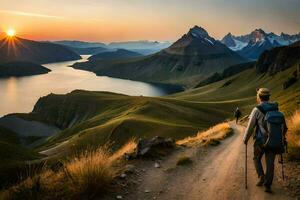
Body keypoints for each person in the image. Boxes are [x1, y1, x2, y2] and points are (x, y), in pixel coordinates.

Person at [243, 88, 287, 193]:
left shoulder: (256, 109)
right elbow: (284, 127)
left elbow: (250, 127)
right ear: (269, 97)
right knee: (270, 162)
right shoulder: (276, 109)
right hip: (273, 139)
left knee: (256, 158)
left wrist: (245, 139)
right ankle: (268, 185)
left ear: (259, 97)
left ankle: (261, 176)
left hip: (260, 140)